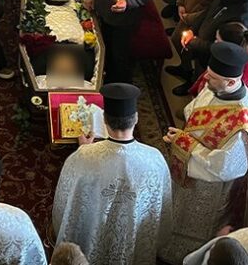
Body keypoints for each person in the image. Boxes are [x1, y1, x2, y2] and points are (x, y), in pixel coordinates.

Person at [53, 83, 171, 265]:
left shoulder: (84, 156)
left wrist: (84, 149)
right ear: (136, 118)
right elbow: (162, 207)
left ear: (105, 120)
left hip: (94, 232)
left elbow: (65, 202)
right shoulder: (155, 158)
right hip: (132, 235)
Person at [161, 42, 248, 264]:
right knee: (175, 208)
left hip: (207, 185)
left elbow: (225, 167)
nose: (205, 79)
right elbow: (194, 112)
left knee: (193, 221)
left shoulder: (242, 122)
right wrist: (182, 138)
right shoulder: (216, 85)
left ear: (232, 81)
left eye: (212, 77)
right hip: (189, 165)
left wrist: (186, 142)